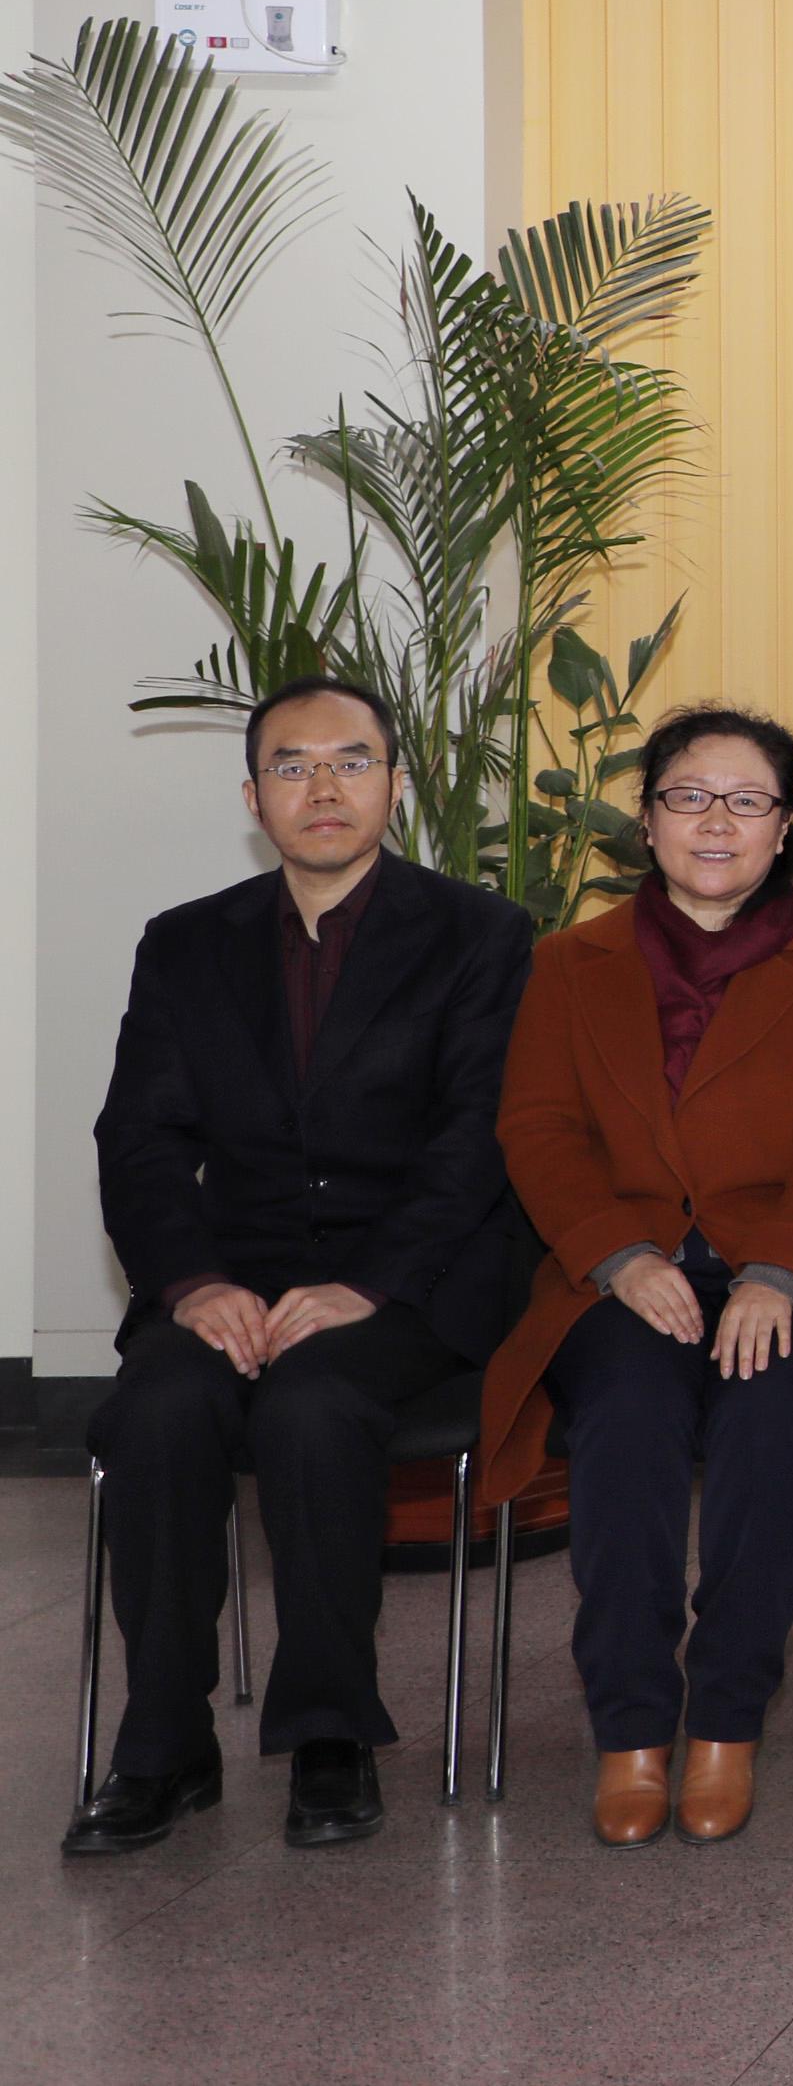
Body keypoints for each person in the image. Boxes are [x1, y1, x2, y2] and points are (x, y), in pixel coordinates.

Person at [66, 678, 536, 1858]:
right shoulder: (187, 944)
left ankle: (329, 1731)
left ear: (395, 784)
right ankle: (164, 1742)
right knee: (158, 1411)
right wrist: (194, 1284)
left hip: (412, 1280)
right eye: (292, 766)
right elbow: (139, 1139)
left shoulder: (482, 935)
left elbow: (478, 1139)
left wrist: (367, 1285)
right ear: (253, 797)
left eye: (351, 761)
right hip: (236, 1271)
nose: (323, 788)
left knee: (315, 1407)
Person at [479, 707, 793, 1847]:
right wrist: (618, 1256)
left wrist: (778, 1272)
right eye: (688, 796)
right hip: (621, 1273)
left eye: (747, 801)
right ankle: (631, 1728)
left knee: (770, 1417)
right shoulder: (568, 964)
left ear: (784, 828)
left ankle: (725, 1719)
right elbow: (536, 1129)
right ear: (647, 818)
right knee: (626, 1417)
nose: (716, 822)